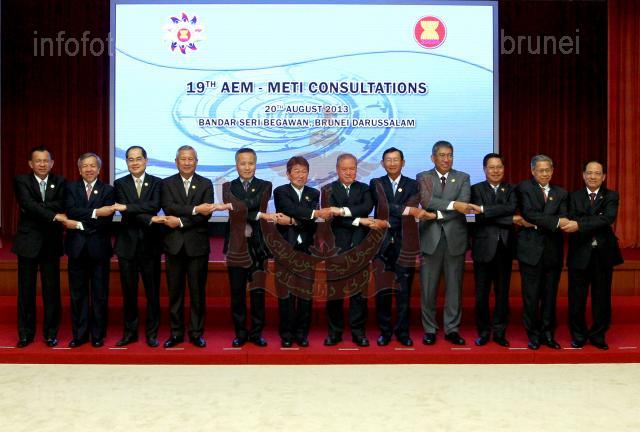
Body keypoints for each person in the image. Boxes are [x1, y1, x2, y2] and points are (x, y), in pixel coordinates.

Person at [370, 147, 435, 347]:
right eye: (388, 160)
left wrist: (398, 212)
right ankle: (385, 332)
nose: (392, 163)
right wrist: (407, 210)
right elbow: (383, 207)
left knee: (404, 291)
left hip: (405, 244)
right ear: (382, 163)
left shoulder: (413, 185)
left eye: (396, 160)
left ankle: (402, 332)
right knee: (383, 291)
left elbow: (397, 208)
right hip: (381, 245)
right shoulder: (376, 183)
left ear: (403, 162)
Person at [161, 145, 219, 348]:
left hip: (197, 246)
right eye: (183, 159)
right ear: (176, 162)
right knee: (175, 293)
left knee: (197, 293)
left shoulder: (206, 183)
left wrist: (180, 220)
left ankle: (196, 333)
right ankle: (176, 333)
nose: (187, 163)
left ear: (196, 161)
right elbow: (169, 207)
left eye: (190, 159)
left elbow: (206, 215)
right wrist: (195, 209)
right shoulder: (167, 183)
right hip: (174, 245)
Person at [323, 153, 382, 347]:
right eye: (344, 169)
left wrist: (342, 211)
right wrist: (359, 220)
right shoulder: (327, 189)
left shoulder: (365, 189)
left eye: (352, 168)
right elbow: (332, 218)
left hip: (359, 246)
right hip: (336, 247)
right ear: (337, 170)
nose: (349, 172)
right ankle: (335, 332)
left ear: (357, 169)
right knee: (335, 293)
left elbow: (366, 207)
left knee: (359, 293)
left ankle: (358, 332)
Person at [417, 141, 473, 346]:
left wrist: (438, 213)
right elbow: (427, 201)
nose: (446, 159)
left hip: (455, 239)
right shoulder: (423, 177)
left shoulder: (463, 177)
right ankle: (430, 329)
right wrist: (453, 205)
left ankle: (452, 329)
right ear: (433, 157)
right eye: (442, 155)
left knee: (454, 288)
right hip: (430, 239)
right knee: (428, 288)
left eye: (450, 155)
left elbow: (464, 205)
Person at [563, 161, 623, 350]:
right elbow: (572, 217)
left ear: (603, 177)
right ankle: (578, 335)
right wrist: (594, 219)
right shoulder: (573, 196)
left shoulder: (611, 195)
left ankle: (598, 335)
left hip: (603, 254)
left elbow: (607, 218)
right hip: (579, 253)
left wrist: (580, 224)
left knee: (602, 298)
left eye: (597, 173)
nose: (593, 176)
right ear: (583, 175)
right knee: (576, 298)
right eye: (589, 173)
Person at [469, 153, 527, 347]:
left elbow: (510, 207)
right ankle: (484, 332)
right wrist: (509, 219)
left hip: (504, 248)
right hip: (483, 248)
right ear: (484, 169)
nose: (496, 171)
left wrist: (484, 210)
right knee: (481, 295)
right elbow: (475, 218)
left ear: (504, 168)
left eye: (499, 167)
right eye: (491, 167)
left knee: (502, 294)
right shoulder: (475, 189)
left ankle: (500, 331)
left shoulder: (512, 189)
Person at [12, 146, 67, 348]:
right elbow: (27, 205)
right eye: (38, 161)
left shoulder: (60, 181)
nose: (42, 164)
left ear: (52, 163)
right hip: (28, 243)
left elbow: (61, 204)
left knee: (51, 291)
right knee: (26, 291)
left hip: (51, 243)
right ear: (31, 163)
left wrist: (39, 208)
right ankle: (25, 334)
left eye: (46, 161)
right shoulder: (21, 181)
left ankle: (51, 333)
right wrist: (54, 215)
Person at [112, 146, 164, 348]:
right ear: (126, 162)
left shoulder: (157, 182)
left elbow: (154, 205)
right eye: (130, 159)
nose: (135, 163)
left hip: (151, 245)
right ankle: (130, 333)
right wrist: (148, 217)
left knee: (152, 293)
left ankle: (152, 333)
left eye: (138, 159)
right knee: (129, 293)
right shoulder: (119, 183)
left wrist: (128, 207)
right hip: (127, 246)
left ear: (146, 161)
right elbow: (128, 212)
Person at [224, 148, 275, 348]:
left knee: (257, 292)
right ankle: (240, 333)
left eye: (251, 163)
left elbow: (245, 206)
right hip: (235, 247)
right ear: (236, 165)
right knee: (237, 293)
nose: (247, 167)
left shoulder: (266, 185)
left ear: (256, 164)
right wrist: (258, 213)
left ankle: (256, 333)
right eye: (243, 163)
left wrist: (243, 208)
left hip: (258, 246)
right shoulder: (227, 186)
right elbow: (237, 211)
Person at [516, 154, 568, 350]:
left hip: (553, 252)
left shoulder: (561, 192)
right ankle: (533, 334)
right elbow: (528, 213)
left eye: (548, 170)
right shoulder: (524, 188)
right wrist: (554, 222)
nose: (544, 174)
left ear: (552, 171)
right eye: (540, 170)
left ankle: (548, 333)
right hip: (530, 251)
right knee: (531, 296)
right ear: (532, 171)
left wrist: (539, 222)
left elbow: (564, 216)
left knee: (550, 296)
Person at [64, 152, 116, 348]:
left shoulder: (108, 190)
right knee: (78, 294)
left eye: (92, 165)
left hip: (99, 248)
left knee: (100, 294)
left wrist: (78, 223)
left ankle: (97, 335)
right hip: (76, 248)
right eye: (84, 166)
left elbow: (106, 220)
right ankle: (79, 334)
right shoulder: (70, 188)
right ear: (79, 169)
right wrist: (95, 212)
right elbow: (71, 211)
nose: (89, 169)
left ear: (99, 169)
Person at [272, 156, 321, 348]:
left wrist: (292, 220)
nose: (300, 175)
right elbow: (288, 208)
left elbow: (312, 222)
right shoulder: (280, 191)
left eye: (304, 172)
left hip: (307, 250)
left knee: (305, 294)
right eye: (296, 171)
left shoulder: (314, 193)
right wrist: (307, 216)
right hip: (285, 249)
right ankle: (286, 333)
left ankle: (301, 333)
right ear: (288, 174)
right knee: (286, 294)